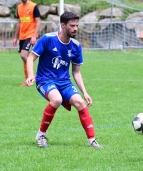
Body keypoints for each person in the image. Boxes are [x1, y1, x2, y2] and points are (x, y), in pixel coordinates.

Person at [26, 11, 103, 149]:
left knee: (80, 102)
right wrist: (31, 75)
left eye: (77, 25)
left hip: (64, 82)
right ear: (63, 25)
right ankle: (41, 135)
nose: (75, 29)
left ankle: (92, 140)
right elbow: (31, 58)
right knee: (56, 99)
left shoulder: (76, 46)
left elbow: (76, 72)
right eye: (72, 25)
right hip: (45, 80)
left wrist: (84, 92)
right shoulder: (47, 39)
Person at [13, 0, 41, 86]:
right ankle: (28, 80)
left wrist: (34, 36)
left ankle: (32, 77)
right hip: (22, 36)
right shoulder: (19, 7)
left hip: (30, 35)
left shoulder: (33, 6)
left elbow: (38, 22)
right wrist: (16, 37)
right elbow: (19, 23)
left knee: (24, 55)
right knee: (24, 57)